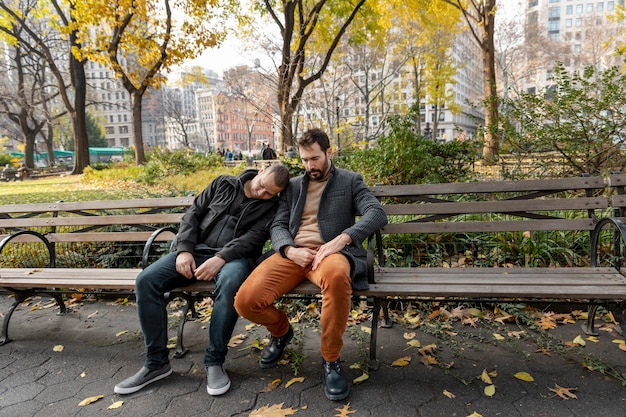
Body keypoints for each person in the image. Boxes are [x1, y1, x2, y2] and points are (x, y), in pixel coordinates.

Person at [234, 128, 387, 401]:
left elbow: (377, 213)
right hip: (293, 255)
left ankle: (331, 360)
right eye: (305, 160)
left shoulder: (350, 181)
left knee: (339, 277)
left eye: (315, 158)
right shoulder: (292, 186)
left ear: (329, 152)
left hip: (329, 255)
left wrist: (343, 239)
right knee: (245, 301)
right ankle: (281, 331)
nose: (309, 166)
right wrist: (290, 250)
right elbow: (279, 224)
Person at [114, 164, 290, 396]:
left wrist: (221, 258)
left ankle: (214, 361)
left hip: (235, 259)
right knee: (146, 281)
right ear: (260, 171)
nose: (262, 194)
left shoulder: (271, 207)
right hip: (195, 251)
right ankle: (156, 364)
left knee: (230, 284)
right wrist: (184, 249)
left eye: (270, 193)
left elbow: (252, 239)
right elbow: (193, 214)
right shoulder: (223, 183)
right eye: (262, 187)